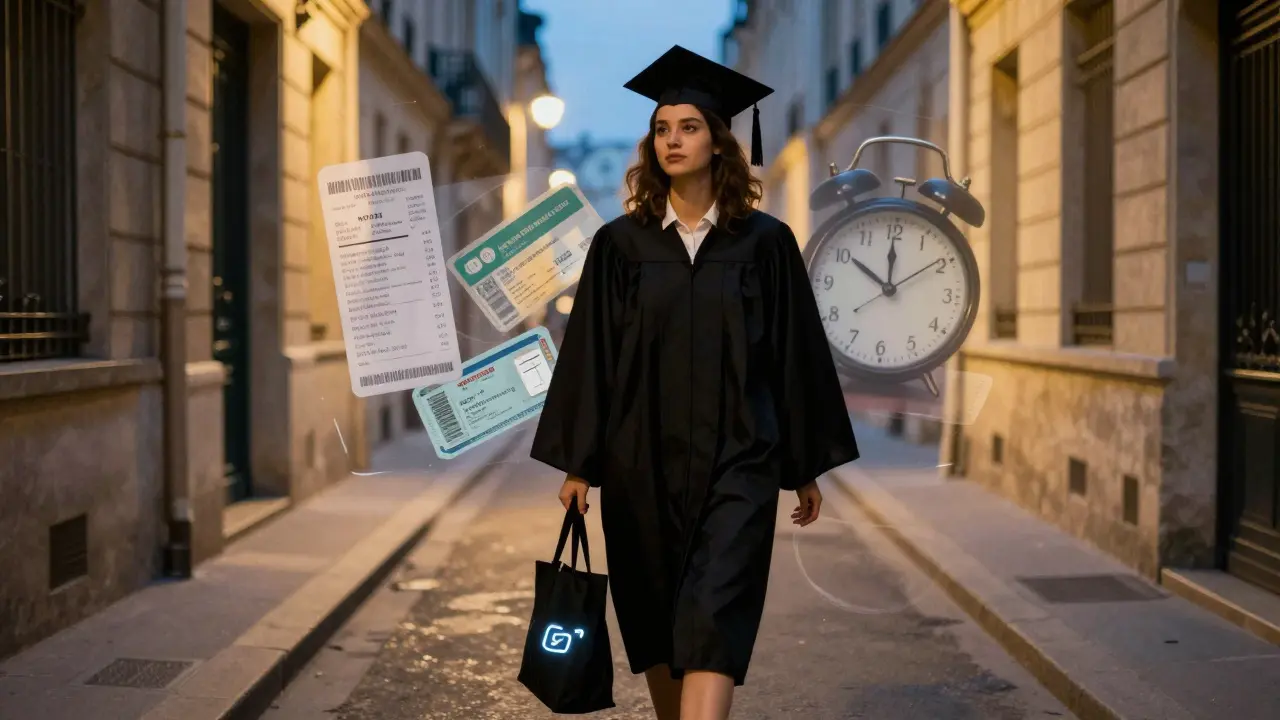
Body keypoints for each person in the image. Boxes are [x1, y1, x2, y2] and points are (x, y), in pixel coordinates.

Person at [529, 45, 860, 720]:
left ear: (718, 142)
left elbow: (795, 356)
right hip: (638, 463)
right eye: (661, 129)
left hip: (739, 462)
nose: (673, 140)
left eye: (688, 127)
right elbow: (591, 355)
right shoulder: (621, 246)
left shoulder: (763, 244)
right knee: (655, 625)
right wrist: (579, 464)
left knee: (715, 613)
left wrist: (804, 464)